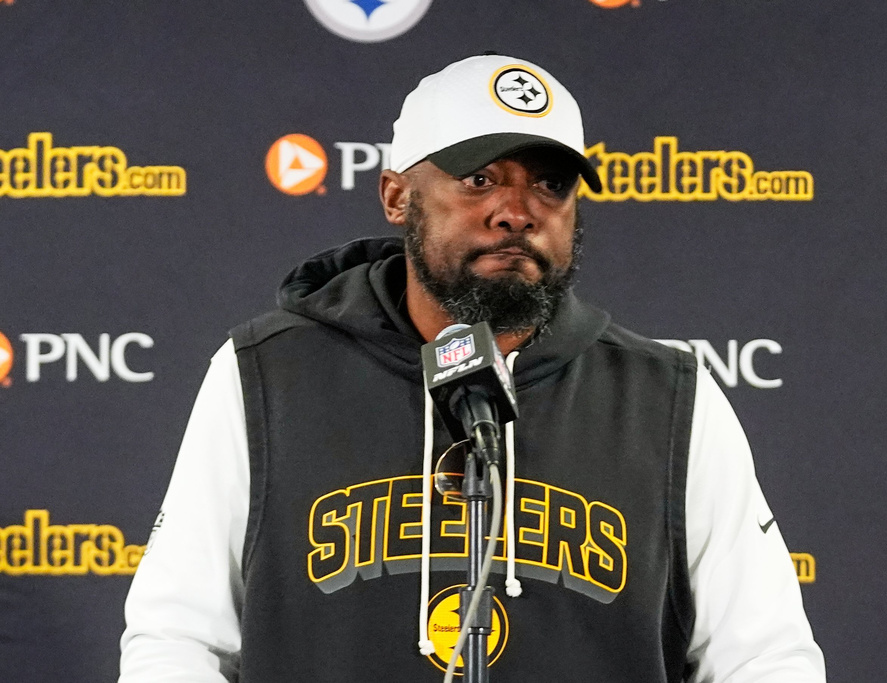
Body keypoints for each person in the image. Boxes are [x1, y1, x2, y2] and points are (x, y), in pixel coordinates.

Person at [119, 54, 826, 682]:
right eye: (479, 177)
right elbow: (178, 641)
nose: (516, 211)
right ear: (398, 194)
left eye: (550, 185)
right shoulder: (266, 375)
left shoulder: (667, 399)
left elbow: (763, 656)